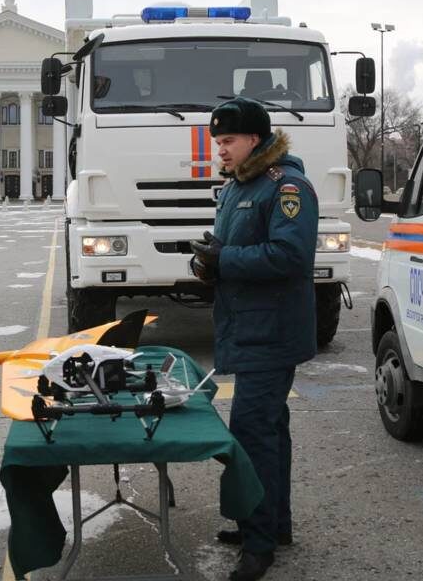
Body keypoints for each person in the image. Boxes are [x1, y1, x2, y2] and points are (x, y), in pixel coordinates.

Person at [189, 97, 319, 581]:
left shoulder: (286, 186)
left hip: (272, 332)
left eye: (227, 141)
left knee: (252, 433)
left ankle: (259, 543)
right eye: (217, 141)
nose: (219, 150)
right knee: (270, 430)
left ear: (255, 139)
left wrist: (225, 260)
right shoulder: (238, 186)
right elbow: (231, 250)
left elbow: (290, 255)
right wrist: (206, 261)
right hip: (249, 327)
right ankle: (274, 524)